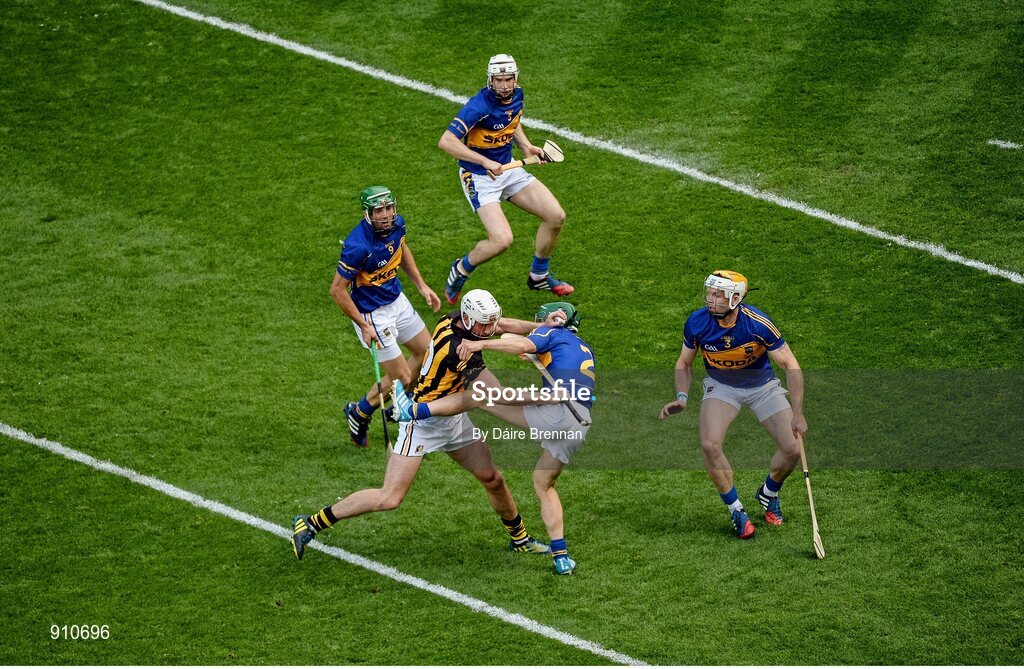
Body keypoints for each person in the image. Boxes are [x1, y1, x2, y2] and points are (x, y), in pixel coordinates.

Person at [291, 289, 562, 561]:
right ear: (468, 320)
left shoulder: (460, 320)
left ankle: (520, 538)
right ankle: (312, 522)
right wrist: (550, 397)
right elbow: (497, 395)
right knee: (389, 498)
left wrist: (542, 327)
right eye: (484, 323)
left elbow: (503, 325)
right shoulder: (459, 350)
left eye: (490, 321)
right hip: (424, 422)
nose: (489, 329)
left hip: (454, 418)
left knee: (493, 479)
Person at [392, 302, 594, 576]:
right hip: (580, 423)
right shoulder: (580, 346)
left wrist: (481, 346)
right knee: (544, 484)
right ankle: (561, 557)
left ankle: (414, 410)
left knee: (484, 396)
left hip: (558, 412)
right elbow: (512, 330)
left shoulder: (554, 334)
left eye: (542, 319)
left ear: (557, 322)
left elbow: (520, 344)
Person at [659, 271, 807, 539]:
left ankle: (768, 493)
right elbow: (684, 362)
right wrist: (682, 397)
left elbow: (790, 365)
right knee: (709, 444)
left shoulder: (757, 324)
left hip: (762, 386)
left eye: (717, 295)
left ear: (735, 298)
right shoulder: (697, 322)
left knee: (792, 449)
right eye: (709, 293)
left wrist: (797, 414)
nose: (710, 299)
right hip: (722, 387)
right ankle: (736, 510)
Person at [438, 54, 573, 304]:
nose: (504, 85)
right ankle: (461, 269)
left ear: (515, 78)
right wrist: (484, 161)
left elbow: (512, 119)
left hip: (508, 168)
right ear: (490, 80)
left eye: (508, 79)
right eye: (498, 80)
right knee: (502, 240)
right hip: (479, 176)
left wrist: (526, 146)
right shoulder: (479, 106)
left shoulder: (517, 95)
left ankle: (539, 275)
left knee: (556, 216)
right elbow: (446, 142)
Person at [332, 186, 441, 447]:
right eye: (379, 210)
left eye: (389, 208)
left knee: (428, 355)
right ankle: (362, 412)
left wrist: (421, 285)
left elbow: (400, 251)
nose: (386, 214)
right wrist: (362, 324)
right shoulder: (358, 246)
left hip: (397, 302)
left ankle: (365, 410)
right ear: (368, 213)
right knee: (403, 378)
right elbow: (337, 290)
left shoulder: (397, 225)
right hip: (372, 316)